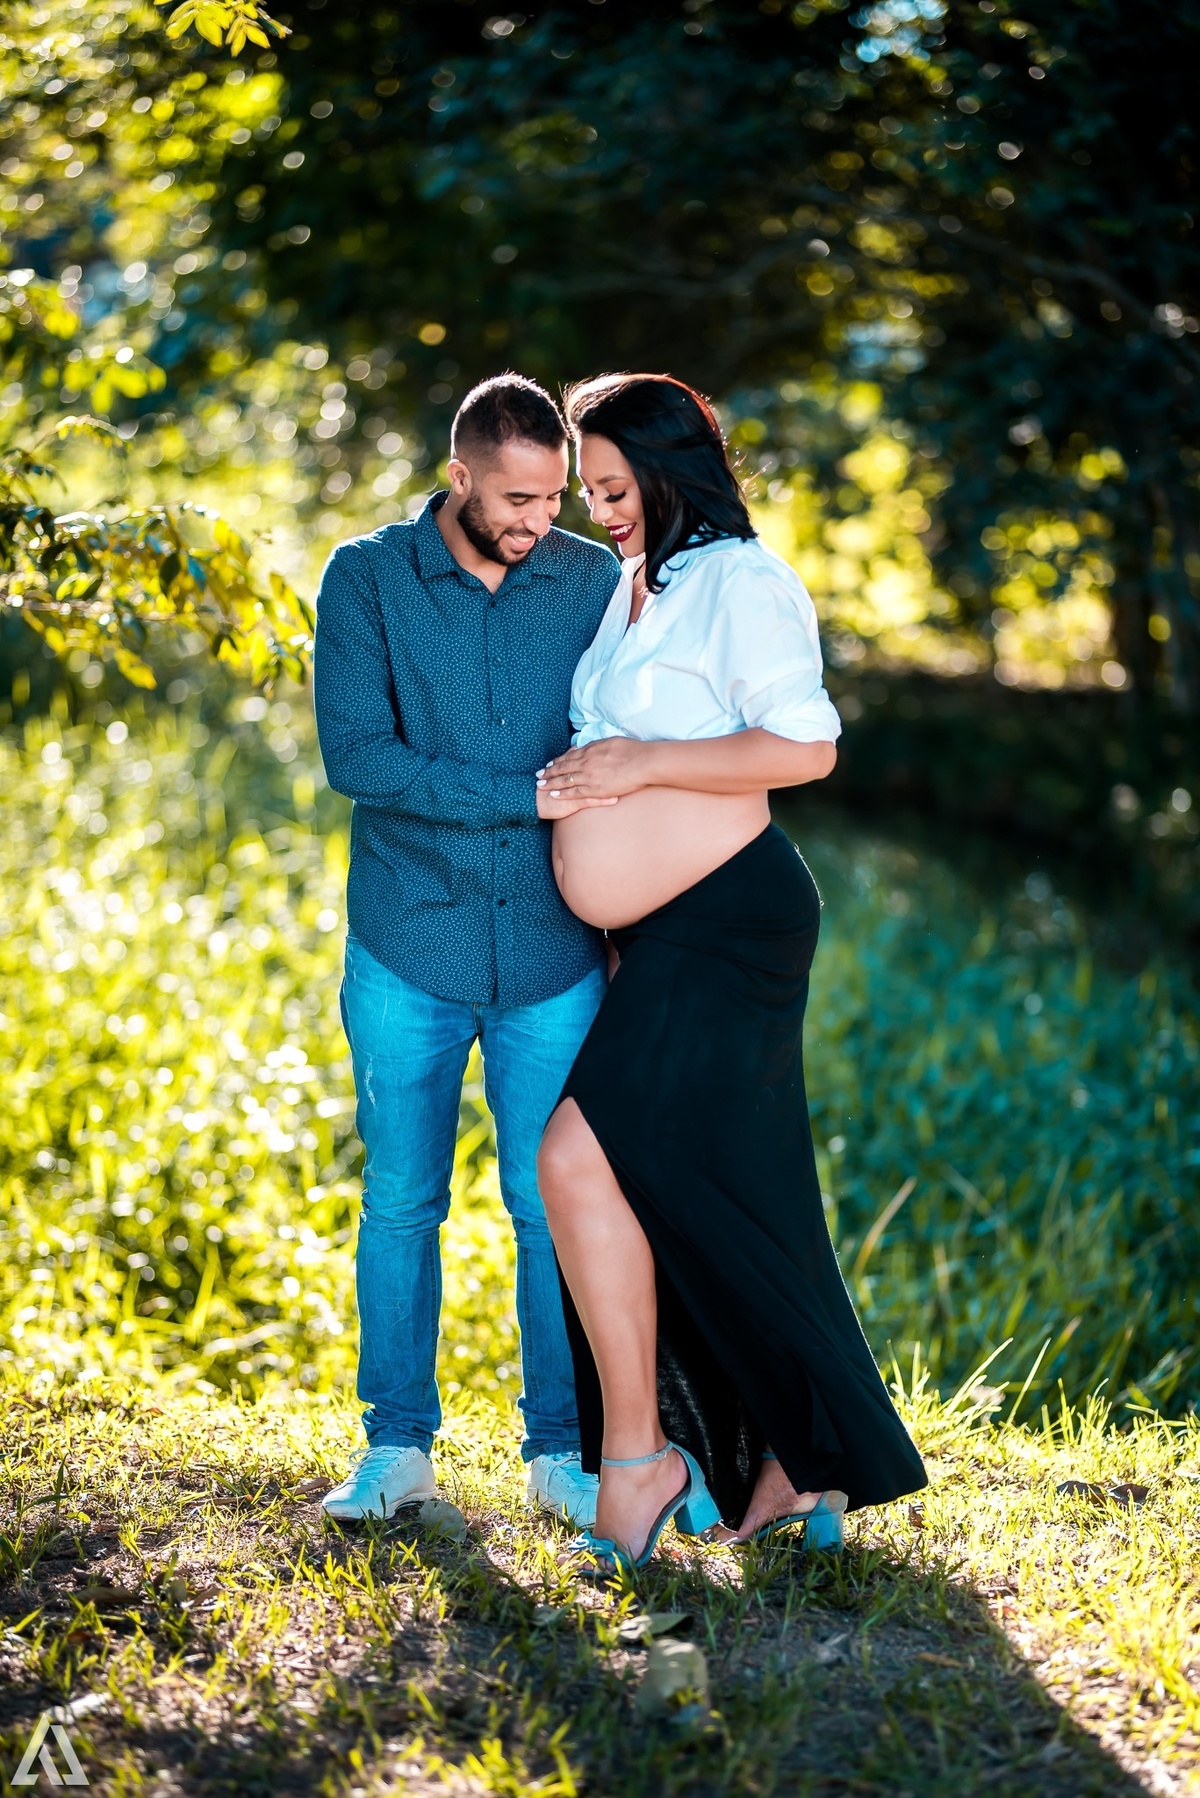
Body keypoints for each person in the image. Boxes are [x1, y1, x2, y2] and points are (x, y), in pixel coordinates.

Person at [536, 373, 928, 1576]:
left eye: (611, 485)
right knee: (716, 1194)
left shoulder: (744, 581)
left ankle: (645, 1461)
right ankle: (786, 1462)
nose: (598, 509)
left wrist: (631, 765)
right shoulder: (635, 585)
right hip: (656, 934)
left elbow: (802, 745)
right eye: (589, 489)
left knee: (576, 1158)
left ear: (668, 468)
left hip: (731, 924)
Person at [313, 374, 623, 1526]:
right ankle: (396, 1449)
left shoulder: (594, 583)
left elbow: (625, 744)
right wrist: (526, 796)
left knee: (553, 1207)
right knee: (402, 1199)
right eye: (517, 496)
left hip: (557, 948)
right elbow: (361, 757)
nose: (541, 517)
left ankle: (563, 1455)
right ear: (459, 476)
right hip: (409, 941)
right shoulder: (368, 576)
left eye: (554, 496)